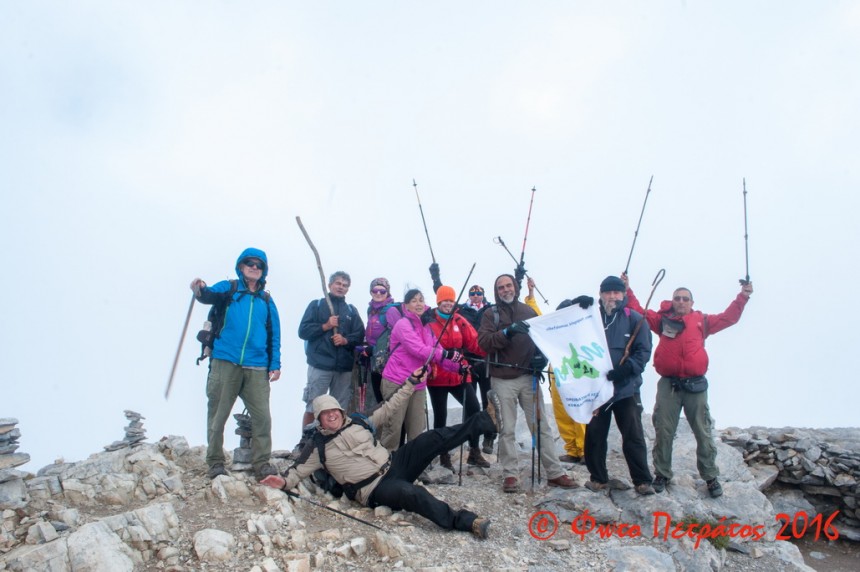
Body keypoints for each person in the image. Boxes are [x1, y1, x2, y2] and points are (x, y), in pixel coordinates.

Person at [261, 368, 503, 539]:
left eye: (334, 410)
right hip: (373, 489)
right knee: (412, 493)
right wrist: (281, 481)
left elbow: (389, 407)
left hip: (394, 463)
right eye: (325, 413)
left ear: (340, 409)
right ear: (319, 418)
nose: (332, 415)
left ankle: (486, 421)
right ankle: (467, 521)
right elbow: (296, 472)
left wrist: (410, 383)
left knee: (430, 438)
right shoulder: (317, 447)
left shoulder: (357, 421)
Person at [624, 273, 754, 498]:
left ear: (692, 303)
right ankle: (662, 474)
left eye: (685, 298)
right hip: (669, 385)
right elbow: (639, 312)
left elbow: (729, 318)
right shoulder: (663, 321)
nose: (681, 301)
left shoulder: (702, 321)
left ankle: (710, 476)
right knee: (664, 430)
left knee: (702, 431)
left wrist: (743, 297)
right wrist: (627, 289)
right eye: (677, 298)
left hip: (696, 386)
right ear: (672, 301)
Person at [477, 273, 578, 493]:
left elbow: (542, 339)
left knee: (541, 427)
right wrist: (507, 332)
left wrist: (541, 358)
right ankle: (510, 475)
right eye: (501, 287)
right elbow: (484, 342)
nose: (505, 290)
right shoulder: (489, 314)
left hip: (529, 377)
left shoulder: (528, 312)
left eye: (508, 285)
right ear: (496, 291)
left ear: (515, 287)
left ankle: (555, 473)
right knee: (507, 430)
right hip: (502, 379)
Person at [190, 247, 281, 480]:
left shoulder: (267, 301)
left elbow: (274, 335)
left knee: (262, 417)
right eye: (249, 263)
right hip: (225, 360)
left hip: (257, 365)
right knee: (218, 414)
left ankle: (261, 463)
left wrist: (275, 363)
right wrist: (199, 289)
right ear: (240, 267)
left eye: (259, 265)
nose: (254, 267)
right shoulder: (229, 288)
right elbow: (207, 295)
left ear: (264, 271)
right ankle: (215, 462)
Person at [561, 276, 655, 495]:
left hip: (625, 388)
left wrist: (627, 369)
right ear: (600, 294)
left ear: (623, 294)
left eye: (617, 292)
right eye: (608, 292)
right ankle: (598, 478)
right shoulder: (589, 315)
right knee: (594, 434)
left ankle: (642, 481)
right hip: (596, 389)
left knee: (633, 435)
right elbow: (561, 316)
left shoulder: (635, 319)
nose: (612, 296)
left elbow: (643, 352)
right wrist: (576, 302)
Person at [379, 288, 461, 450]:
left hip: (418, 384)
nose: (418, 304)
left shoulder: (427, 328)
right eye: (414, 300)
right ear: (406, 306)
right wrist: (446, 354)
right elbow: (418, 349)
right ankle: (387, 468)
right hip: (397, 381)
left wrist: (459, 367)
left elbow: (437, 351)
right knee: (393, 429)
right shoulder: (403, 324)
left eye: (421, 300)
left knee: (417, 430)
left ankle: (414, 468)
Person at [523, 278, 587, 465]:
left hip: (576, 374)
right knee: (561, 412)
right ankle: (572, 450)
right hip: (557, 374)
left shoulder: (580, 330)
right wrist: (531, 296)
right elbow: (537, 318)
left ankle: (585, 450)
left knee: (578, 411)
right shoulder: (554, 329)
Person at [426, 285, 490, 470]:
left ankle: (474, 451)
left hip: (459, 374)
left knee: (474, 408)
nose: (447, 303)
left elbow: (474, 341)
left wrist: (490, 353)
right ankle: (443, 454)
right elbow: (427, 346)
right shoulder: (429, 322)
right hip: (437, 376)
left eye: (450, 300)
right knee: (440, 415)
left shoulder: (459, 320)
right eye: (444, 300)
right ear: (438, 302)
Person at [297, 271, 365, 438]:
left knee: (338, 408)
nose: (341, 287)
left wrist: (345, 340)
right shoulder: (317, 305)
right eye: (338, 283)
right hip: (320, 365)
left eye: (345, 285)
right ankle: (306, 442)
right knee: (314, 406)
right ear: (330, 285)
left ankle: (334, 443)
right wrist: (326, 326)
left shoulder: (351, 311)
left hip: (344, 368)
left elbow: (359, 335)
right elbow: (303, 331)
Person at [458, 284, 497, 454]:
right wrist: (435, 276)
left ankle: (489, 437)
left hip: (487, 361)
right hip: (468, 361)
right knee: (470, 402)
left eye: (479, 293)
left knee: (489, 400)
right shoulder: (461, 310)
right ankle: (471, 439)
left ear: (483, 294)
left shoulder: (491, 309)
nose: (475, 296)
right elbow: (442, 297)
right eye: (472, 293)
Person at [362, 277, 397, 404]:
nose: (378, 293)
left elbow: (399, 337)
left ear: (388, 293)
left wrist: (374, 349)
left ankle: (396, 424)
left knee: (389, 400)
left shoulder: (391, 311)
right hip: (374, 362)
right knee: (380, 400)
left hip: (388, 363)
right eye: (375, 290)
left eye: (382, 291)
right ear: (371, 292)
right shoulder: (371, 310)